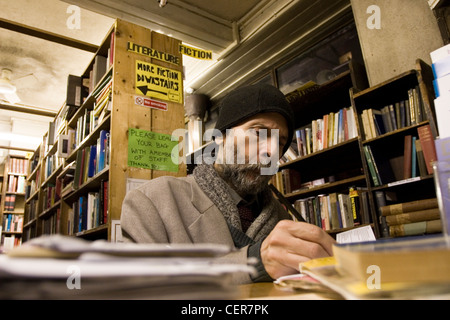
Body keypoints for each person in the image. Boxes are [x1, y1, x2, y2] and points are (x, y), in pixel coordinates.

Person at [120, 83, 335, 284]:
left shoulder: (281, 217)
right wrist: (254, 263)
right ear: (220, 136)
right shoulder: (152, 201)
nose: (271, 151)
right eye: (258, 132)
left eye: (280, 142)